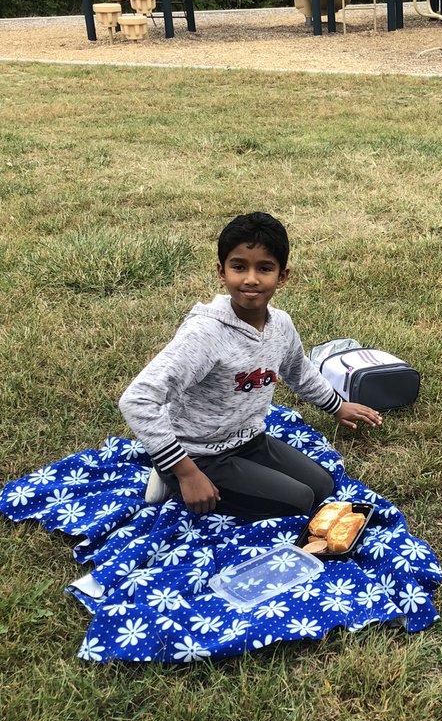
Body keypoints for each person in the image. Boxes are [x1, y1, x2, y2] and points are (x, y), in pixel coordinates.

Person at [119, 212, 382, 518]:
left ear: (282, 276)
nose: (251, 279)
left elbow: (298, 369)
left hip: (249, 440)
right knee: (297, 502)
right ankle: (168, 475)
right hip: (198, 453)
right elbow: (137, 400)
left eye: (265, 268)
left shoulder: (280, 325)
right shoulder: (205, 334)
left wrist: (337, 406)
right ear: (221, 271)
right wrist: (186, 473)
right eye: (239, 267)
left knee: (322, 487)